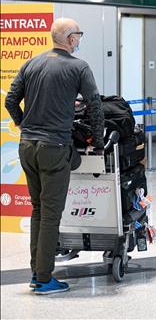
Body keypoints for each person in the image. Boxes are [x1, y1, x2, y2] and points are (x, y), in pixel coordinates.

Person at [4, 18, 104, 295]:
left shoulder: (32, 63)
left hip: (27, 147)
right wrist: (98, 142)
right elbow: (95, 107)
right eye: (79, 35)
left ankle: (37, 272)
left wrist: (23, 123)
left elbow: (10, 100)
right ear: (70, 39)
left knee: (38, 210)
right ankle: (44, 277)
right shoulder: (78, 67)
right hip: (54, 149)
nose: (80, 40)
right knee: (50, 215)